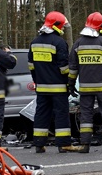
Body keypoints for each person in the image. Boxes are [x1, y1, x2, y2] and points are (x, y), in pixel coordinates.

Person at [63, 12, 102, 153]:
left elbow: (72, 68)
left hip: (85, 88)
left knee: (86, 114)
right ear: (99, 27)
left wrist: (71, 85)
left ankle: (84, 145)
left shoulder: (78, 44)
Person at [28, 11, 72, 153]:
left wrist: (37, 81)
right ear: (57, 25)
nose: (64, 29)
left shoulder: (34, 42)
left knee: (41, 114)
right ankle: (63, 143)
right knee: (61, 114)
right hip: (58, 87)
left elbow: (31, 66)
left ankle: (39, 144)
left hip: (41, 87)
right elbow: (64, 68)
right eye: (63, 26)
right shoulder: (59, 42)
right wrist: (70, 81)